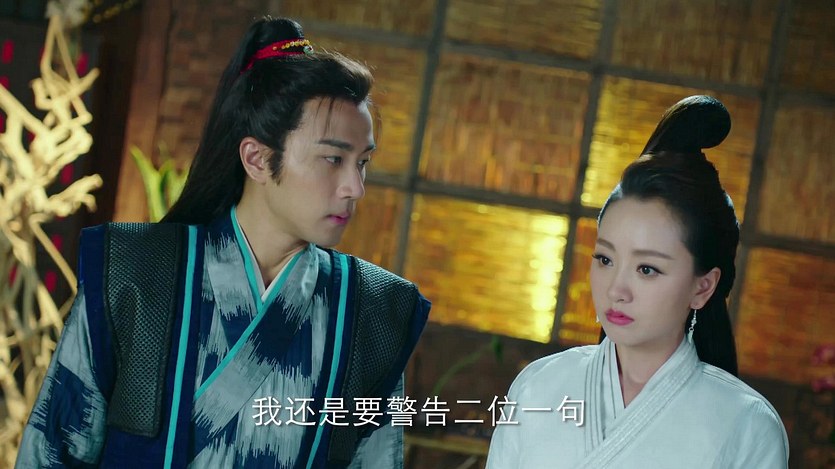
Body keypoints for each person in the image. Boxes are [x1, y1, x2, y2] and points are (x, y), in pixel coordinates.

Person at [16, 16, 430, 468]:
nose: (355, 187)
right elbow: (50, 451)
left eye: (362, 163)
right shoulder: (135, 274)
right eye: (333, 159)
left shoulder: (373, 311)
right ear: (257, 158)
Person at [486, 95, 789, 468]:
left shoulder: (747, 425)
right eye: (605, 259)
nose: (615, 289)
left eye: (647, 269)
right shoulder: (540, 386)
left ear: (703, 287)